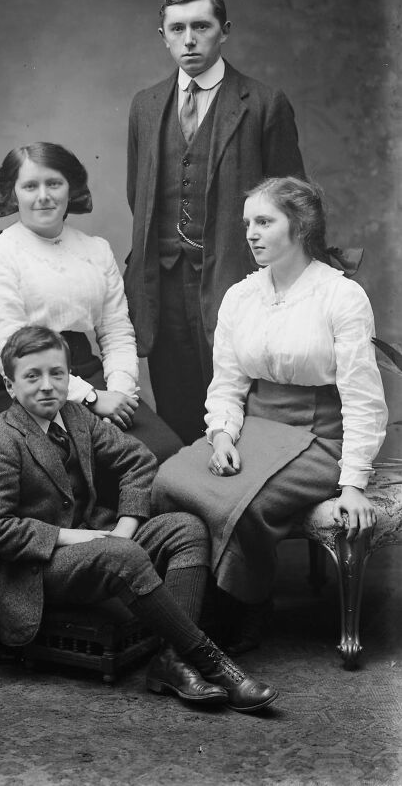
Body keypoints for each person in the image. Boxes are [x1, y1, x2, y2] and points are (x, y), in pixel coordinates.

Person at [0, 325, 278, 713]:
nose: (47, 386)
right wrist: (76, 538)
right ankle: (215, 664)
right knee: (122, 555)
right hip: (37, 569)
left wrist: (126, 527)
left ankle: (172, 661)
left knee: (186, 529)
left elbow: (138, 460)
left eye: (57, 374)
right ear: (10, 386)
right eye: (32, 376)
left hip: (100, 544)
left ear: (68, 377)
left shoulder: (75, 416)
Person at [152, 177, 388, 653]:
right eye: (247, 224)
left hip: (319, 437)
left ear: (300, 226)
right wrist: (222, 436)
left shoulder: (340, 296)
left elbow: (363, 399)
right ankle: (188, 618)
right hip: (253, 428)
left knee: (242, 503)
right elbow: (228, 384)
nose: (251, 234)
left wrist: (353, 484)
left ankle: (245, 606)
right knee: (169, 481)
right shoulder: (241, 296)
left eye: (264, 221)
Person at [125, 0, 305, 445]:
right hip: (163, 283)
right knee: (177, 408)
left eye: (201, 27)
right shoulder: (145, 106)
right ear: (163, 35)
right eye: (177, 29)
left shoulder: (263, 103)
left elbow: (293, 206)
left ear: (224, 30)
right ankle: (186, 491)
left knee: (238, 405)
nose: (189, 39)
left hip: (237, 279)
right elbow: (138, 197)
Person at [0, 141, 182, 467]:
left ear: (71, 188)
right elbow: (11, 350)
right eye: (30, 186)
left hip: (85, 370)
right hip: (23, 383)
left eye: (54, 183)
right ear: (13, 194)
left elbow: (116, 331)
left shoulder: (96, 250)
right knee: (101, 464)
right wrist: (92, 399)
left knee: (166, 452)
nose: (43, 196)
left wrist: (119, 394)